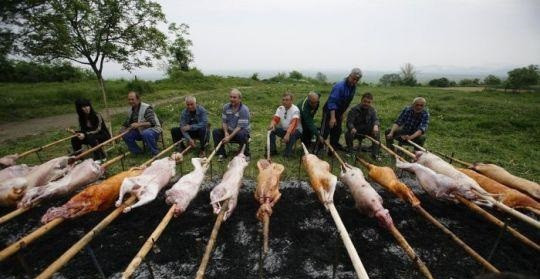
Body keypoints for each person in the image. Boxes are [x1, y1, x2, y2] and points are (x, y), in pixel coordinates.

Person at [320, 67, 362, 151]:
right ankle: (318, 148)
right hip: (329, 110)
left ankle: (332, 149)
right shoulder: (339, 86)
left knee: (337, 131)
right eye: (353, 79)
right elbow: (332, 102)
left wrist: (342, 113)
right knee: (325, 130)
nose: (354, 81)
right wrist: (332, 117)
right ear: (350, 75)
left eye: (357, 80)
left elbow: (348, 102)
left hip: (339, 111)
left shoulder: (353, 87)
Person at [212, 88, 251, 160]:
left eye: (234, 97)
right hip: (230, 130)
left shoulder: (244, 110)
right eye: (231, 97)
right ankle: (221, 154)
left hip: (241, 131)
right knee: (216, 132)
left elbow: (239, 127)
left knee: (242, 134)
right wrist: (226, 133)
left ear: (240, 99)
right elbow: (224, 122)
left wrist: (229, 137)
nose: (232, 99)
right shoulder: (226, 107)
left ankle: (246, 154)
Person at [121, 91, 162, 156]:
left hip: (153, 130)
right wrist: (120, 132)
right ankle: (137, 152)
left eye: (132, 99)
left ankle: (155, 152)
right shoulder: (131, 110)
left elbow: (152, 123)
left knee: (146, 133)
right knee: (125, 135)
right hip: (140, 131)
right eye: (129, 100)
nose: (130, 101)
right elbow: (126, 123)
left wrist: (138, 124)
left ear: (138, 99)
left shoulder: (146, 108)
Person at [345, 92, 380, 159]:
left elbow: (376, 119)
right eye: (365, 101)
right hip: (356, 130)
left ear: (371, 102)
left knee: (377, 132)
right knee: (348, 134)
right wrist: (352, 128)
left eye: (369, 102)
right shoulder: (354, 110)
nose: (366, 104)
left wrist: (375, 125)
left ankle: (375, 154)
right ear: (361, 100)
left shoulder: (372, 110)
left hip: (367, 130)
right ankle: (350, 151)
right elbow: (349, 122)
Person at [268, 92, 302, 157]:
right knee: (271, 131)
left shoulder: (295, 110)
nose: (284, 102)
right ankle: (273, 150)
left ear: (291, 101)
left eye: (287, 100)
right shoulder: (280, 108)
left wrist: (288, 134)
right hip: (285, 129)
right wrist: (272, 124)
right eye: (283, 100)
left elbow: (293, 123)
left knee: (292, 134)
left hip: (296, 130)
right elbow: (276, 119)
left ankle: (287, 154)